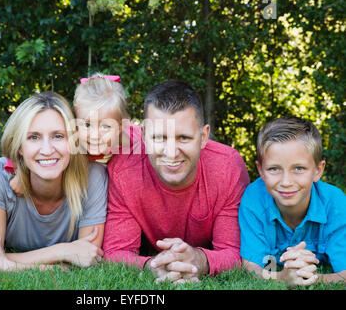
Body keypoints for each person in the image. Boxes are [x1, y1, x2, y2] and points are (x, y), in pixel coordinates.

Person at [102, 80, 250, 284]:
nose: (171, 152)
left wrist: (199, 260)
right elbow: (116, 253)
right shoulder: (123, 170)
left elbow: (234, 253)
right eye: (159, 138)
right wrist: (152, 266)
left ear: (204, 136)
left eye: (183, 138)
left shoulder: (227, 167)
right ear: (144, 136)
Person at [0, 91, 108, 271]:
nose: (47, 150)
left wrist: (9, 263)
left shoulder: (92, 176)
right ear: (19, 147)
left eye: (58, 136)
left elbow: (88, 256)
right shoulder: (0, 175)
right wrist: (63, 252)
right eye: (34, 137)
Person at [239, 116, 346, 286]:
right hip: (273, 265)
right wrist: (282, 277)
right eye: (274, 169)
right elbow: (253, 268)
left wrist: (312, 278)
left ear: (318, 170)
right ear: (261, 170)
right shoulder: (254, 200)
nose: (286, 182)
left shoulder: (336, 204)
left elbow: (344, 273)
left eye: (298, 168)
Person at [5, 73, 142, 195]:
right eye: (87, 125)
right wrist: (19, 174)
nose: (95, 135)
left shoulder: (135, 139)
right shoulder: (70, 138)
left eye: (105, 126)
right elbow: (27, 149)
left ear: (120, 127)